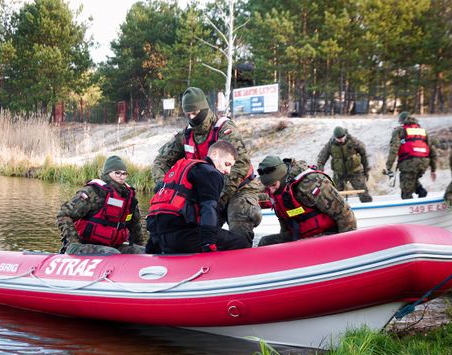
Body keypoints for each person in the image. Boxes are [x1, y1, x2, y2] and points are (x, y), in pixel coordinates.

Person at [151, 87, 262, 246]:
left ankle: (242, 257)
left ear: (204, 109)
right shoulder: (185, 136)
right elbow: (161, 161)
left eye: (195, 113)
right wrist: (162, 184)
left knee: (238, 217)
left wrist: (218, 198)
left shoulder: (224, 129)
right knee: (196, 230)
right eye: (188, 114)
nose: (192, 118)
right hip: (210, 194)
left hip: (238, 188)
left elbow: (240, 164)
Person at [146, 140, 250, 254]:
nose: (228, 171)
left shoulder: (183, 169)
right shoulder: (211, 173)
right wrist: (208, 243)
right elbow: (209, 208)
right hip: (181, 238)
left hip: (158, 238)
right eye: (227, 164)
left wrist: (151, 248)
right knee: (241, 242)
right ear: (214, 154)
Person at [256, 156, 357, 247]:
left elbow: (344, 213)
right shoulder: (274, 190)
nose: (271, 190)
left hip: (328, 235)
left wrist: (348, 245)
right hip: (299, 238)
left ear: (282, 178)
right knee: (265, 242)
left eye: (273, 185)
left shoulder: (312, 183)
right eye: (268, 187)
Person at [56, 155, 145, 255]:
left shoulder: (129, 196)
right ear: (108, 173)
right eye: (117, 173)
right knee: (112, 253)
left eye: (124, 174)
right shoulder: (94, 191)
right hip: (85, 245)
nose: (122, 176)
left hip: (113, 245)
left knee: (143, 251)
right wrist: (73, 242)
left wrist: (139, 245)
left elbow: (135, 225)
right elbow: (63, 215)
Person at [384, 111, 437, 199]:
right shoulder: (422, 131)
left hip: (409, 162)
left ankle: (411, 207)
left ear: (401, 121)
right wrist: (433, 169)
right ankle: (421, 192)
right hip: (424, 163)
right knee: (412, 179)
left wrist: (388, 166)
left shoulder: (399, 130)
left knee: (406, 191)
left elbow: (394, 149)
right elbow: (431, 150)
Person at [316, 126, 373, 202]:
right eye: (338, 138)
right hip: (339, 175)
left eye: (342, 137)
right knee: (335, 197)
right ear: (335, 137)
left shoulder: (353, 141)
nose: (341, 140)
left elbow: (363, 154)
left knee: (364, 194)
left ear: (345, 135)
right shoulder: (330, 145)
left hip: (355, 172)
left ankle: (368, 209)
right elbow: (321, 160)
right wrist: (320, 174)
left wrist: (366, 170)